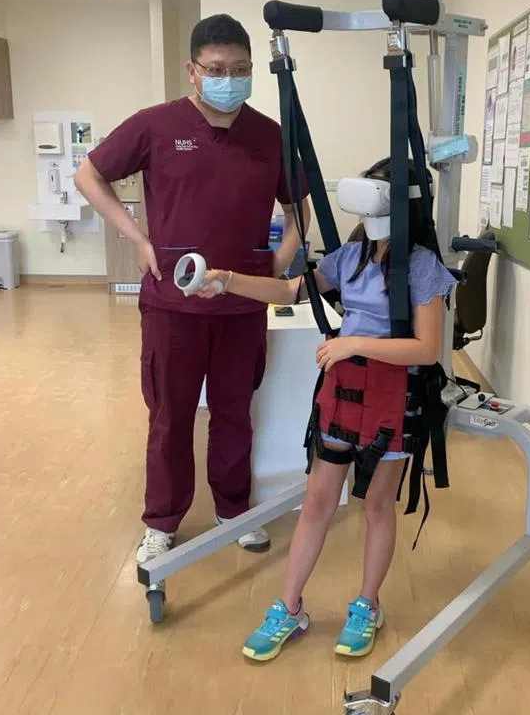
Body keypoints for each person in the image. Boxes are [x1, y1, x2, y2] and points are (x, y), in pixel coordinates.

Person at [194, 157, 457, 662]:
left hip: (395, 396)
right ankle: (289, 607)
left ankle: (367, 604)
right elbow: (292, 289)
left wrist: (353, 341)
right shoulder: (350, 256)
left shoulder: (422, 266)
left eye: (381, 188)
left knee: (376, 504)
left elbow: (426, 348)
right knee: (317, 501)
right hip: (343, 390)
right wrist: (228, 279)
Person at [74, 14, 312, 563]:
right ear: (193, 71)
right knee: (170, 415)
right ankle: (162, 520)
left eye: (241, 69)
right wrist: (136, 236)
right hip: (171, 302)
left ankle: (233, 511)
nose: (229, 78)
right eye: (217, 70)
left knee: (234, 411)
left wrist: (276, 263)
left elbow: (299, 206)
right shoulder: (155, 126)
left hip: (241, 306)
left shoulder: (269, 136)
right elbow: (89, 174)